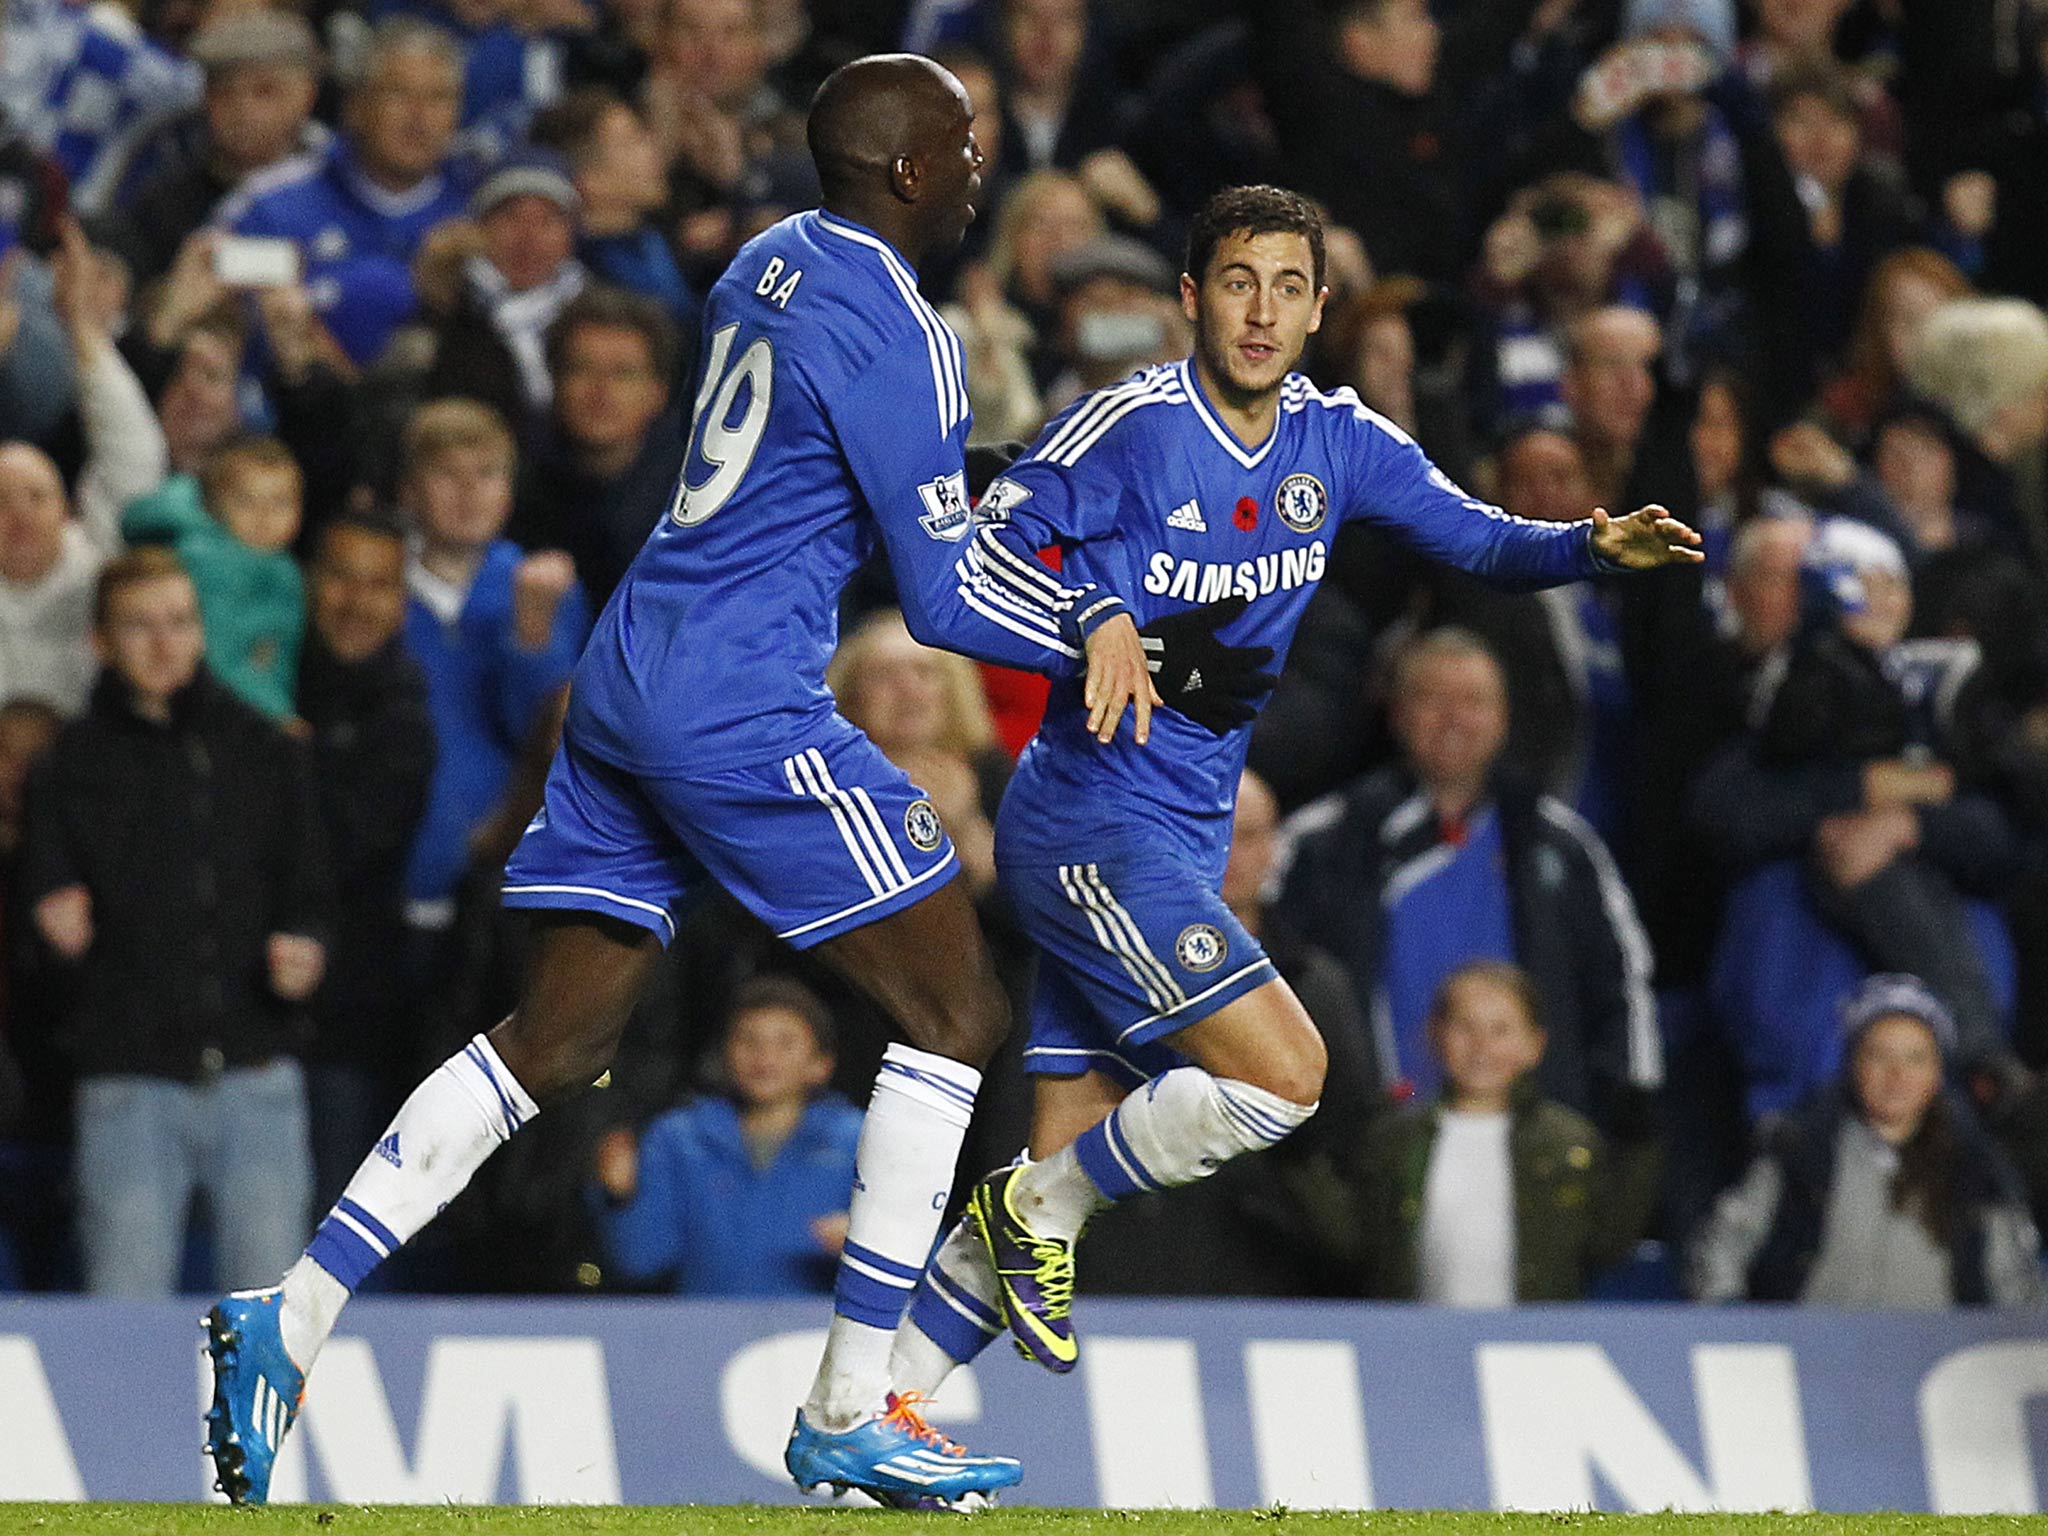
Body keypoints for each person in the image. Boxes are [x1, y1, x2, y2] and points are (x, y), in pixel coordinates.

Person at [203, 53, 1175, 1513]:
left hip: (628, 663)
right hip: (737, 696)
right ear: (908, 171)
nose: (977, 164)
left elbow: (817, 454)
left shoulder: (767, 264)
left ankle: (291, 1314)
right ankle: (855, 1405)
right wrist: (1093, 620)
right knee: (959, 1010)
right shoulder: (908, 329)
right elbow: (940, 600)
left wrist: (985, 467)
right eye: (961, 144)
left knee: (559, 1037)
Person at [883, 185, 1698, 1390]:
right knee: (1284, 1077)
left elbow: (1472, 535)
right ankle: (1028, 1210)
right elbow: (975, 544)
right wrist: (1090, 609)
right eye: (1234, 282)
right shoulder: (1129, 427)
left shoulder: (1340, 441)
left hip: (1187, 830)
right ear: (1188, 299)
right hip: (1088, 825)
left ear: (1317, 308)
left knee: (1039, 1220)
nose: (1259, 311)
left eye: (1284, 287)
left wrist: (1583, 543)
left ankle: (872, 1414)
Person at [20, 548, 329, 1296]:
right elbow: (41, 923)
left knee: (268, 1323)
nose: (164, 643)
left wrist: (310, 950)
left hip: (256, 1074)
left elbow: (310, 892)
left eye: (180, 622)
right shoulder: (66, 766)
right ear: (101, 641)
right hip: (128, 1083)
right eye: (139, 626)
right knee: (126, 1313)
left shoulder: (266, 750)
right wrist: (55, 938)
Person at [1276, 627, 1663, 1127]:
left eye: (1474, 701)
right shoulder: (1323, 842)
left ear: (1504, 717)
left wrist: (1623, 1116)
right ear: (1397, 713)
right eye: (1433, 699)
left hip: (1534, 1155)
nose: (1454, 719)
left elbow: (1621, 987)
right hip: (1374, 1152)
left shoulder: (1565, 847)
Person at [1689, 973, 2044, 1306]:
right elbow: (1721, 1249)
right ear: (1853, 1064)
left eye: (1915, 1058)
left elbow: (2015, 1289)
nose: (1897, 1075)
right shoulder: (1799, 1149)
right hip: (1810, 1360)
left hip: (1935, 1364)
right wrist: (1735, 1331)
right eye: (1878, 1055)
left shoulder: (1978, 1169)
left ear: (1937, 1073)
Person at [1337, 961, 1661, 1303]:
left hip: (1531, 1348)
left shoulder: (1568, 1140)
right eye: (1465, 1027)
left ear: (1535, 1044)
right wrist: (1302, 1161)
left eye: (1501, 1030)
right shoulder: (1395, 1137)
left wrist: (1640, 1152)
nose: (1482, 1046)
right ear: (1434, 1033)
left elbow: (1607, 1243)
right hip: (1414, 1343)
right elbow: (1355, 1242)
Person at [295, 515, 436, 1210]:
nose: (356, 601)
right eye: (340, 578)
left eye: (377, 585)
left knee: (334, 1218)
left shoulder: (405, 715)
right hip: (227, 1018)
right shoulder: (255, 684)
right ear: (309, 583)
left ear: (401, 606)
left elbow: (351, 846)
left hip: (348, 1018)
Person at [589, 976, 863, 1294]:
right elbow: (640, 1261)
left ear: (821, 1063)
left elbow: (922, 1260)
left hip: (816, 1335)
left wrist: (874, 1244)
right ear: (724, 1054)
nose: (765, 1056)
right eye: (749, 1040)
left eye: (784, 1042)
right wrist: (620, 1197)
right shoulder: (677, 1137)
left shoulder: (860, 1139)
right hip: (707, 1334)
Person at [120, 436, 306, 721]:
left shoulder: (281, 568)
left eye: (281, 502)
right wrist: (276, 715)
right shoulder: (205, 563)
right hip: (222, 718)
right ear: (215, 505)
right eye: (246, 500)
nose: (265, 515)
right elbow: (216, 659)